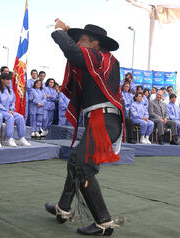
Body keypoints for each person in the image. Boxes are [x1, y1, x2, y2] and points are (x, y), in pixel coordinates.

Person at [45, 20, 124, 236]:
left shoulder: (98, 57)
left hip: (103, 120)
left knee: (83, 166)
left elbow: (71, 51)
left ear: (96, 44)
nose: (79, 44)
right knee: (75, 162)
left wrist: (61, 31)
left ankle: (103, 222)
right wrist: (72, 35)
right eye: (78, 40)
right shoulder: (99, 60)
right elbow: (75, 52)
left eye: (83, 40)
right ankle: (64, 209)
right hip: (100, 120)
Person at [0, 72, 30, 147]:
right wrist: (7, 111)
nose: (9, 81)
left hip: (10, 111)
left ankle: (21, 138)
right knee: (10, 117)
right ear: (2, 80)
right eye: (7, 79)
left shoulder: (10, 91)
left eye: (9, 79)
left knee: (20, 117)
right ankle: (9, 139)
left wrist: (11, 109)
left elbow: (12, 102)